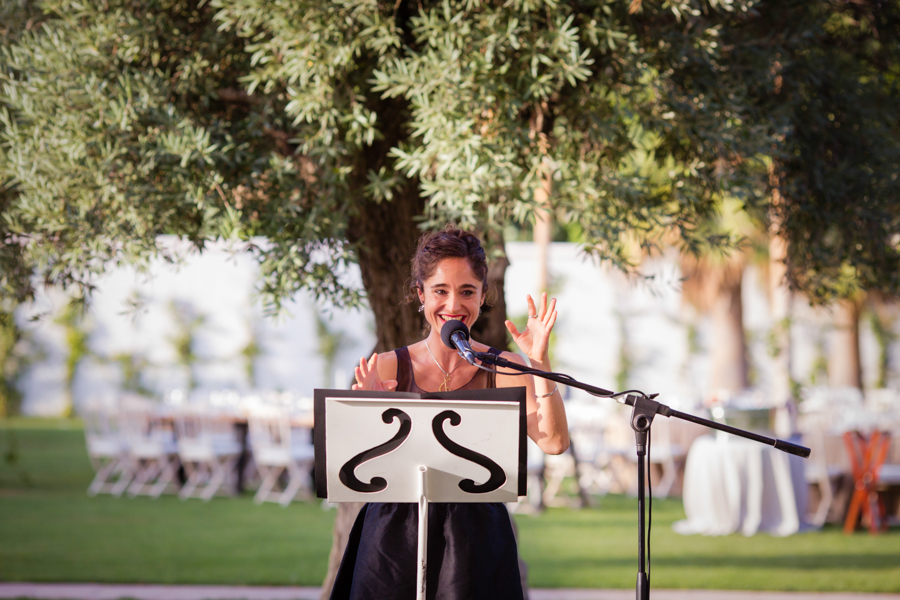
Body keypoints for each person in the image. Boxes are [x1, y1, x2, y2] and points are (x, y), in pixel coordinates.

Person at [330, 226, 569, 600]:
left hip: (478, 537)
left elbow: (554, 442)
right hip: (394, 537)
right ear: (421, 294)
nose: (453, 304)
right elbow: (355, 469)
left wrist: (539, 363)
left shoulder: (505, 367)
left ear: (482, 296)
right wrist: (368, 416)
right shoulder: (389, 367)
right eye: (440, 291)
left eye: (467, 291)